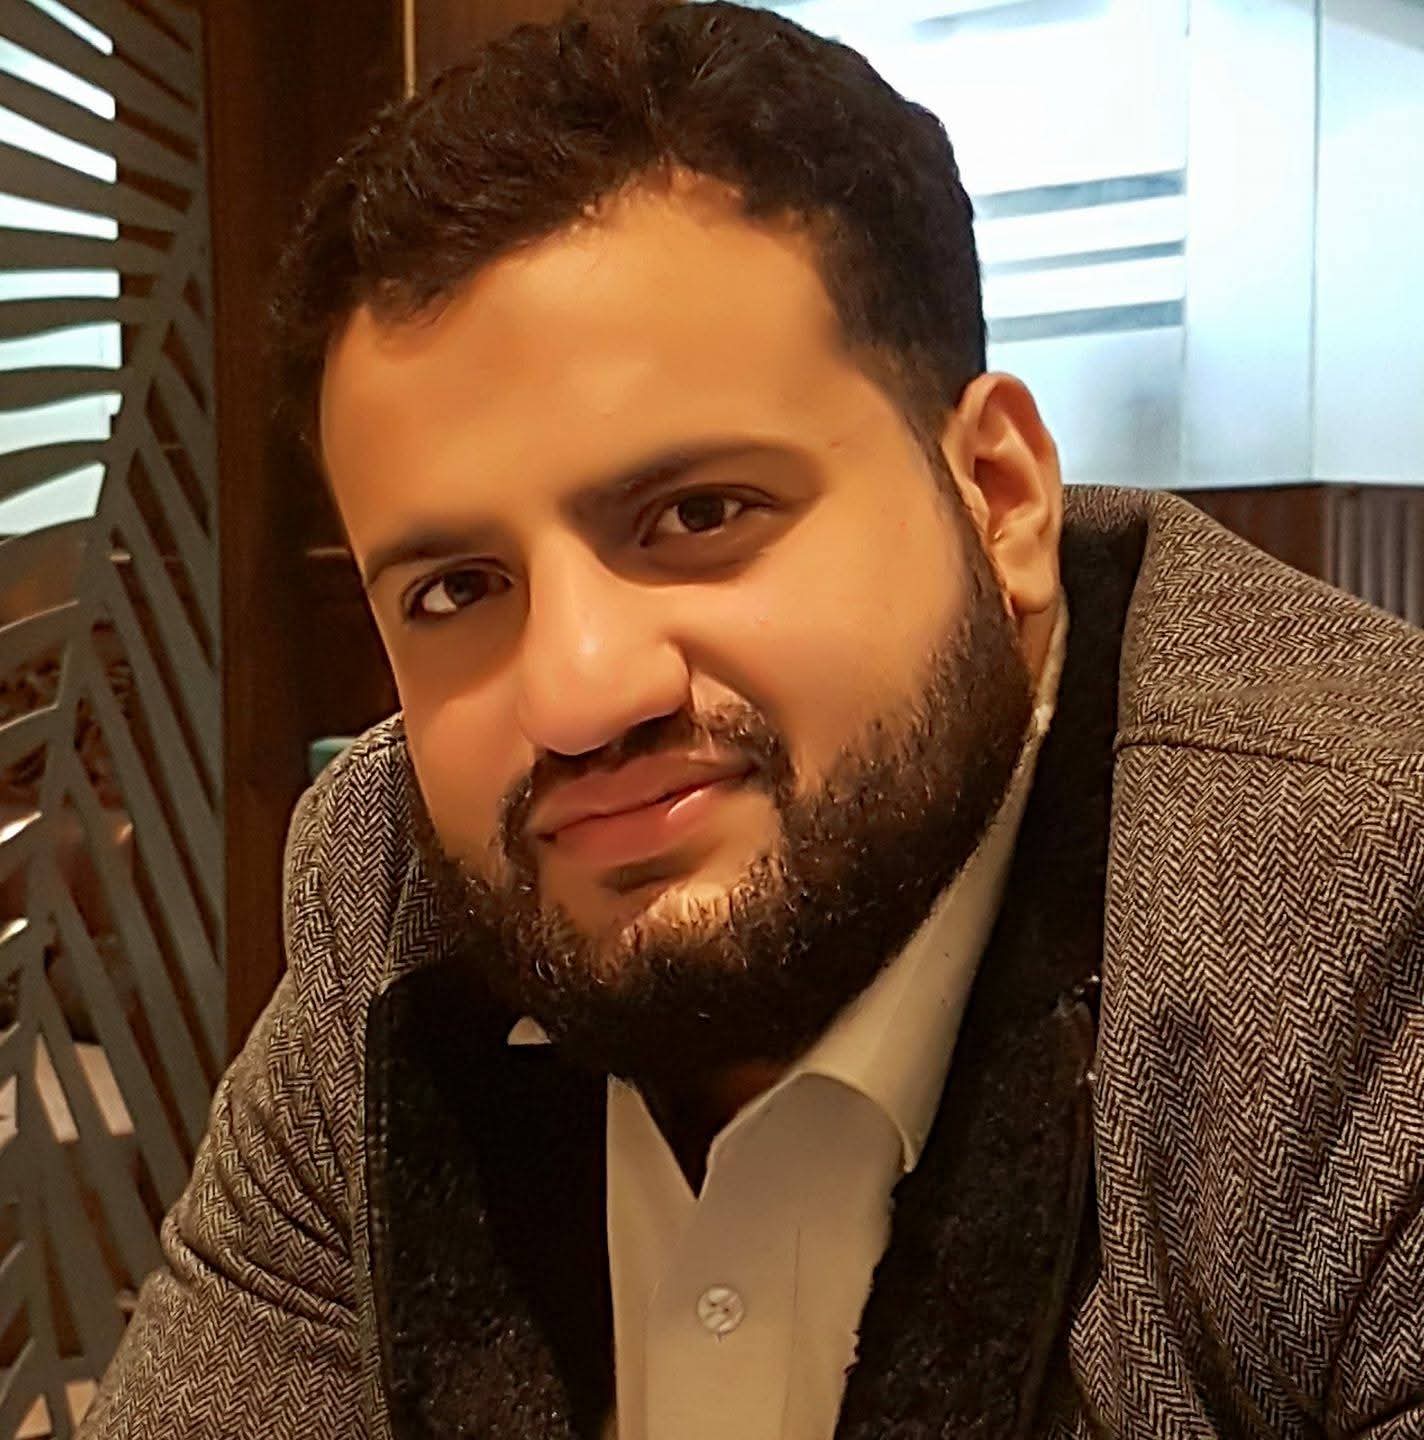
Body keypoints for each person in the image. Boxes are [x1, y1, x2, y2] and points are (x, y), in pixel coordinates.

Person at [79, 3, 1424, 1437]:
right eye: (457, 588)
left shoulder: (1362, 916)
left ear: (999, 499)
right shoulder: (392, 894)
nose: (579, 694)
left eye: (700, 513)